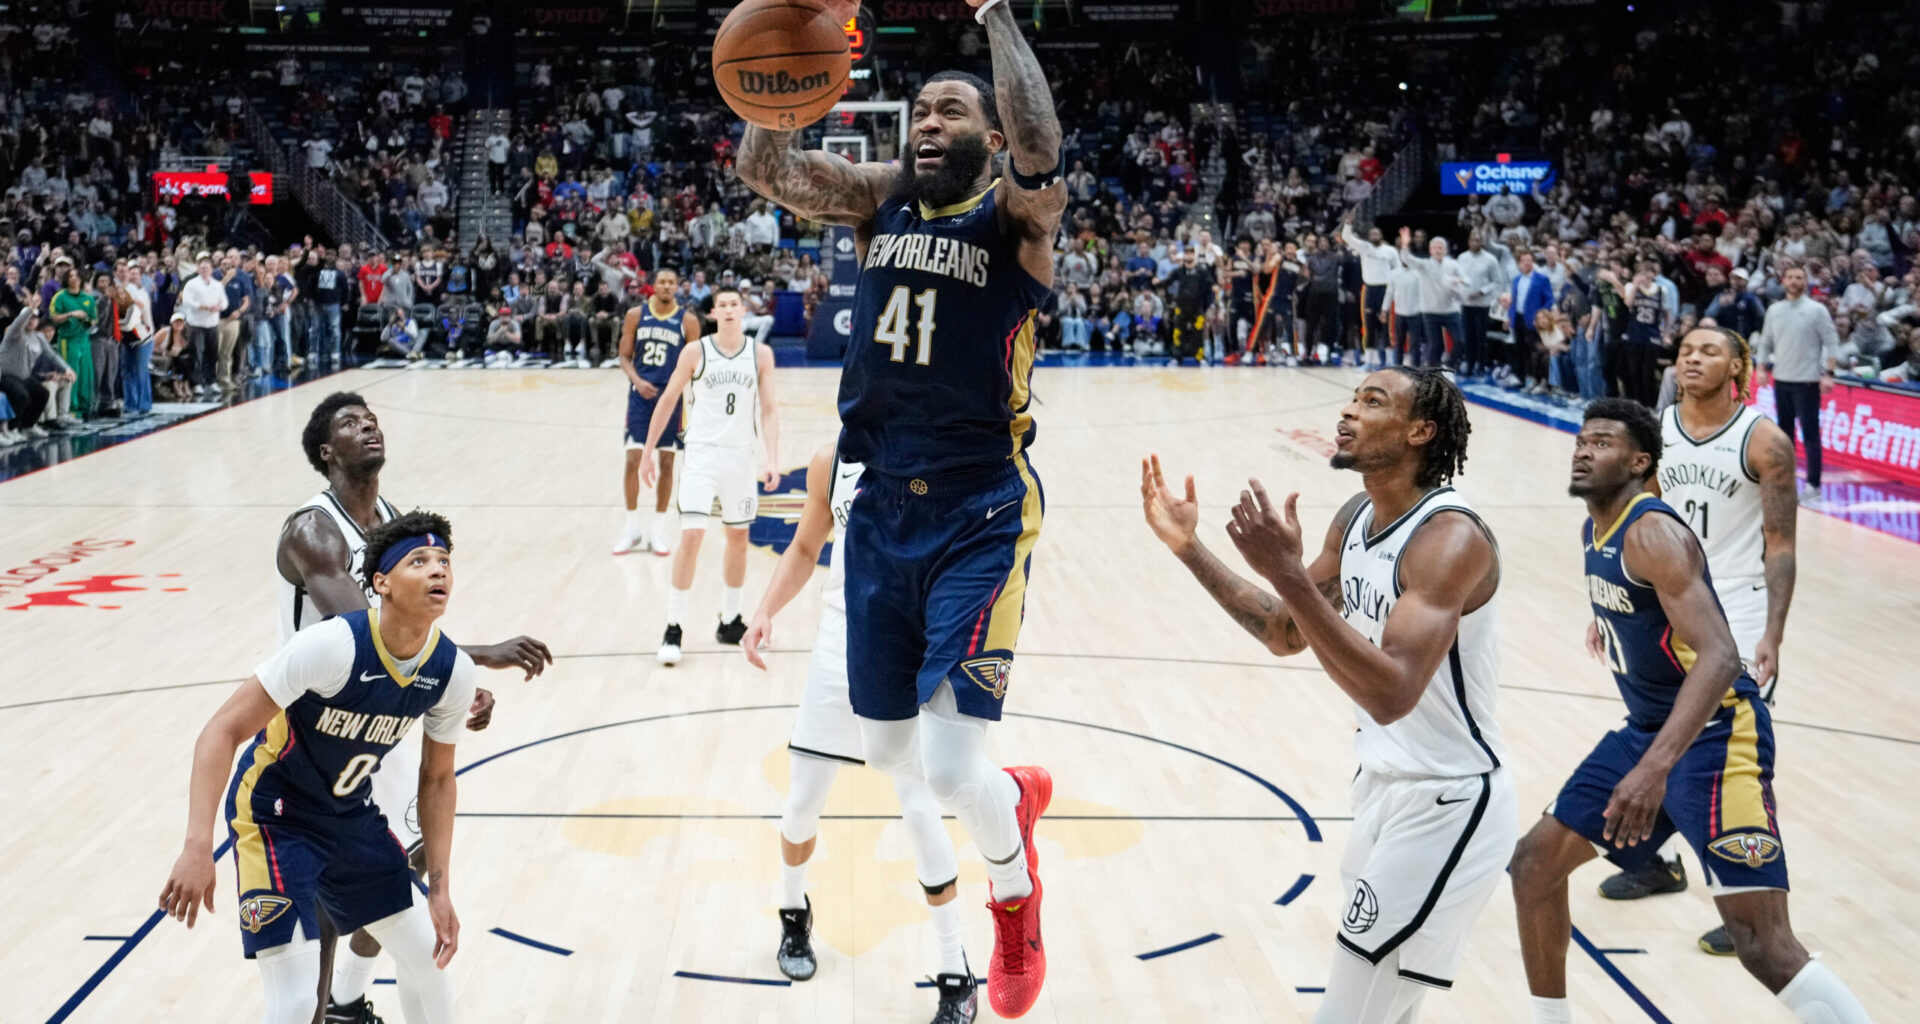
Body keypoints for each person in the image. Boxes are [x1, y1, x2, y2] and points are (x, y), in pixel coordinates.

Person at [736, 7, 1065, 1010]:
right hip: (881, 504)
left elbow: (1045, 146)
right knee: (887, 750)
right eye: (919, 110)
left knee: (955, 763)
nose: (926, 122)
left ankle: (1014, 901)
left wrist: (998, 16)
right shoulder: (883, 200)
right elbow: (769, 171)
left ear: (990, 136)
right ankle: (1018, 796)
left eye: (950, 110)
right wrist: (773, 78)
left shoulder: (1016, 217)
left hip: (981, 506)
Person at [1144, 366, 1513, 1023]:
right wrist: (1189, 548)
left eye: (1373, 402)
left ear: (1419, 431)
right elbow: (1284, 630)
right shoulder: (1357, 516)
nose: (1347, 412)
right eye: (1351, 397)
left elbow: (1392, 692)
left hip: (1449, 799)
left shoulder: (1449, 540)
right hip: (1382, 787)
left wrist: (1287, 572)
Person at [1509, 398, 1875, 1024]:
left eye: (1601, 442)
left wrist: (1654, 769)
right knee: (1535, 865)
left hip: (1716, 735)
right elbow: (1648, 616)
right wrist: (1608, 625)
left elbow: (1720, 657)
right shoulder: (1594, 529)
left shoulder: (1652, 532)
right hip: (1649, 728)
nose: (1582, 449)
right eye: (1581, 440)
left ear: (1638, 461)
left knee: (1761, 944)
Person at [277, 393, 551, 1023]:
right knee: (329, 890)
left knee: (410, 857)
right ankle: (319, 1010)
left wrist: (450, 686)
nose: (368, 424)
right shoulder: (313, 531)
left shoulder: (392, 521)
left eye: (371, 416)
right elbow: (366, 626)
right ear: (326, 453)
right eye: (350, 422)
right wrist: (471, 661)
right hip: (314, 730)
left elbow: (408, 636)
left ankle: (347, 996)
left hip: (377, 710)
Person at [161, 511, 477, 1024]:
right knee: (295, 1002)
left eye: (444, 560)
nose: (438, 570)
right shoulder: (333, 645)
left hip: (350, 816)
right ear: (382, 584)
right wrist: (198, 845)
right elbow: (220, 731)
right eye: (419, 561)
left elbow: (438, 778)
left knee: (430, 961)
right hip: (276, 818)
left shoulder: (450, 671)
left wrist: (439, 888)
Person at [740, 444, 977, 1023]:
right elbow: (803, 545)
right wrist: (765, 609)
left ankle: (955, 967)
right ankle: (793, 914)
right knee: (801, 804)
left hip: (908, 648)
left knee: (920, 811)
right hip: (838, 646)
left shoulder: (937, 455)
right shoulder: (830, 459)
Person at [1584, 328, 1802, 956]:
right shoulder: (1657, 429)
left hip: (1737, 603)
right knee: (1660, 734)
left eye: (1708, 351)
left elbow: (1781, 543)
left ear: (1737, 365)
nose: (1691, 358)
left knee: (1735, 758)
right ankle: (1660, 862)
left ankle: (1752, 896)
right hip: (1667, 600)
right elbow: (1628, 518)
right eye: (1685, 351)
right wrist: (1609, 603)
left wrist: (1774, 633)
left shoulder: (1764, 441)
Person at [638, 289, 779, 664]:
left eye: (736, 304)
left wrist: (773, 458)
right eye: (724, 305)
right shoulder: (695, 352)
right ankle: (673, 625)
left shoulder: (760, 354)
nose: (730, 310)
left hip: (740, 457)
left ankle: (730, 620)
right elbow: (668, 399)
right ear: (714, 312)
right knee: (692, 536)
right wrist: (648, 451)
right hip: (701, 455)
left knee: (738, 536)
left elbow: (768, 410)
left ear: (744, 311)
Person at [614, 267, 700, 557]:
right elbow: (624, 356)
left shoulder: (687, 321)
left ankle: (658, 531)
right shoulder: (635, 315)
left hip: (672, 401)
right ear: (653, 286)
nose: (666, 286)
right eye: (662, 282)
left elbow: (695, 365)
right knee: (633, 460)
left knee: (666, 464)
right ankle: (631, 528)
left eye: (671, 282)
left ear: (677, 287)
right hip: (641, 397)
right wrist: (637, 380)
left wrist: (679, 391)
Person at [1752, 266, 1840, 501]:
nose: (1794, 281)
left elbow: (1832, 342)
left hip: (1808, 381)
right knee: (1784, 435)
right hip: (1781, 379)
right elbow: (1765, 342)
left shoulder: (1817, 310)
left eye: (1799, 277)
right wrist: (1761, 368)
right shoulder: (1775, 310)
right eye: (1790, 277)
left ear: (1805, 281)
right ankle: (1785, 480)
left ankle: (1813, 485)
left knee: (1810, 435)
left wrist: (1828, 373)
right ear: (1783, 281)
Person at [1396, 228, 1467, 368]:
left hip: (1450, 310)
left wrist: (1459, 282)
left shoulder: (1453, 264)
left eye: (1440, 247)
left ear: (1445, 250)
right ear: (1430, 250)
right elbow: (1407, 259)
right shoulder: (1425, 265)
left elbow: (1467, 280)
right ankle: (1432, 372)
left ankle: (1449, 366)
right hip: (1430, 311)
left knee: (1460, 341)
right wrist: (1405, 245)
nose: (1438, 250)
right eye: (1435, 248)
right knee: (1435, 345)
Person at [1340, 215, 1397, 368]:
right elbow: (1347, 237)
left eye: (1377, 234)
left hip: (1386, 289)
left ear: (1381, 236)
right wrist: (1348, 224)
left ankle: (1390, 361)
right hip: (1369, 289)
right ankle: (1370, 361)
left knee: (1387, 326)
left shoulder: (1390, 251)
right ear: (1369, 236)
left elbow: (1397, 270)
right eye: (1372, 234)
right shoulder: (1364, 247)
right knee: (1369, 325)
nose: (1374, 236)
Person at [1506, 250, 1555, 393]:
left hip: (1535, 321)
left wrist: (1541, 316)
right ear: (1519, 263)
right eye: (1524, 260)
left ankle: (1540, 380)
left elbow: (1549, 299)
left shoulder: (1542, 279)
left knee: (1536, 352)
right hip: (1519, 318)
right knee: (1520, 350)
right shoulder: (1516, 280)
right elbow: (1514, 301)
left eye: (1529, 259)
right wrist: (1510, 317)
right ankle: (1522, 378)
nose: (1527, 262)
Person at [180, 257, 227, 399]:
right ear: (198, 269)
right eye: (202, 267)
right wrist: (203, 307)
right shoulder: (191, 284)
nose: (205, 270)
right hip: (196, 324)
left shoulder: (217, 285)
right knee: (196, 354)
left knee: (212, 354)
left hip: (212, 324)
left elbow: (224, 302)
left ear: (212, 269)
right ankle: (196, 383)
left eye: (207, 267)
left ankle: (211, 381)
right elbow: (187, 301)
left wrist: (219, 307)